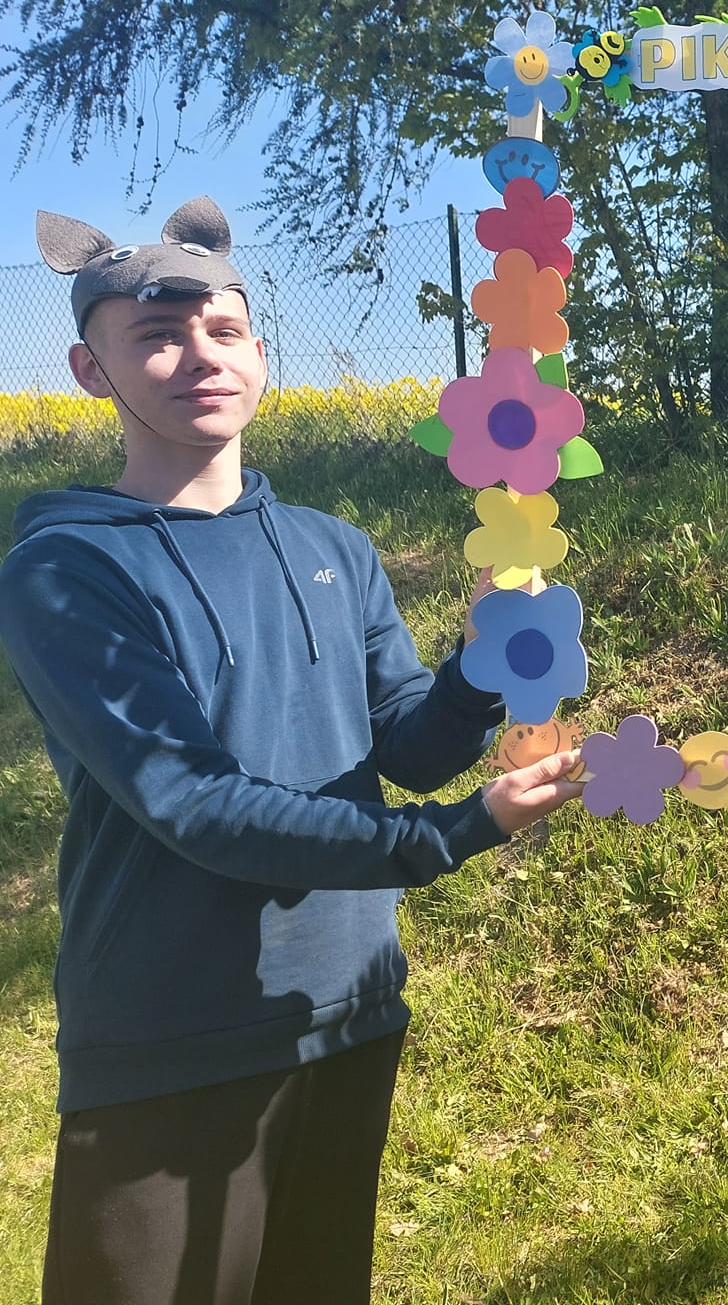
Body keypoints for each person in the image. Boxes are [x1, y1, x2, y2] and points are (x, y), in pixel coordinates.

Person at [4, 199, 585, 1305]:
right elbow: (193, 802)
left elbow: (407, 744)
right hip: (170, 1036)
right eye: (156, 336)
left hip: (348, 1010)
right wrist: (457, 834)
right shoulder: (66, 572)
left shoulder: (332, 547)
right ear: (90, 369)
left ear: (261, 355)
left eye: (223, 330)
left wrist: (477, 665)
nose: (199, 357)